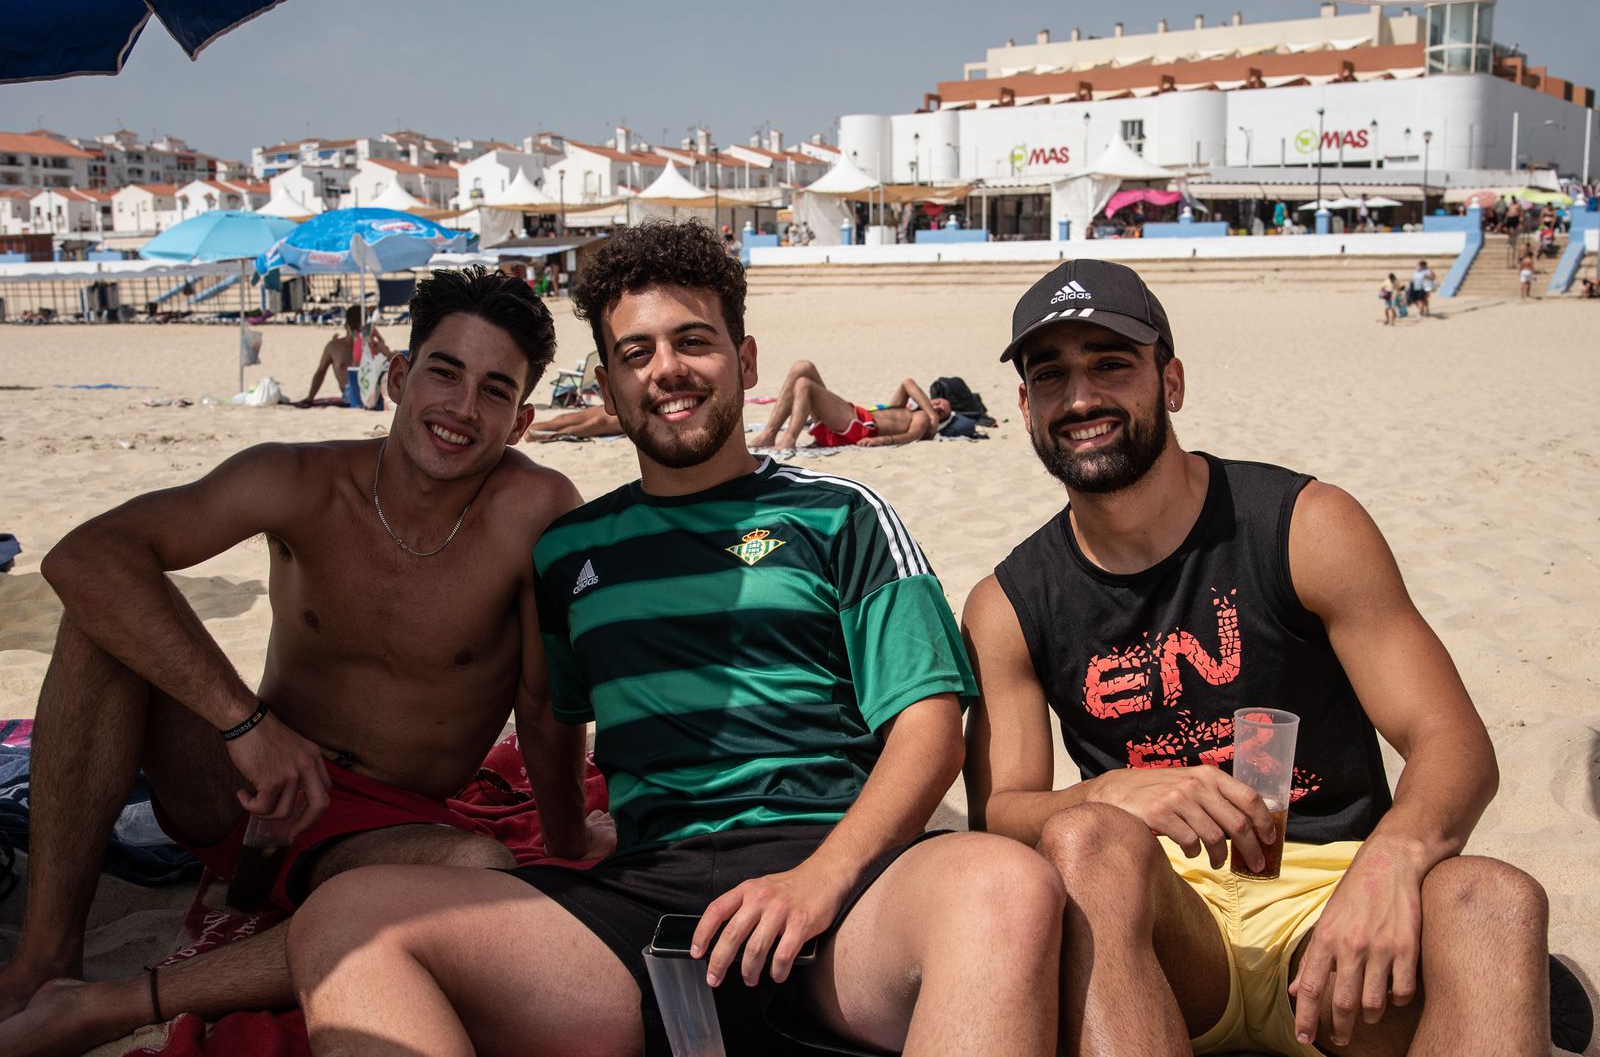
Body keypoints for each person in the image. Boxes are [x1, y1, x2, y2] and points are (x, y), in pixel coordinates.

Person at [285, 220, 1066, 1056]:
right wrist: (567, 839)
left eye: (694, 341)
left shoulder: (842, 516)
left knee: (1003, 884)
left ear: (748, 360)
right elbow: (550, 714)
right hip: (643, 901)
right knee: (347, 916)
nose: (667, 370)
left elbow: (930, 728)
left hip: (842, 890)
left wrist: (816, 883)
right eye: (636, 353)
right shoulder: (570, 551)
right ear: (611, 387)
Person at [0, 268, 605, 1055]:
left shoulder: (536, 511)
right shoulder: (298, 478)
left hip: (380, 830)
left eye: (494, 391)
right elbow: (84, 557)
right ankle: (45, 957)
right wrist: (242, 723)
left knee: (482, 869)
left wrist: (564, 839)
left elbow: (542, 702)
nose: (461, 409)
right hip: (245, 781)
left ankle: (110, 1004)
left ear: (522, 421)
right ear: (396, 376)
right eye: (443, 372)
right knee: (105, 616)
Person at [962, 258, 1552, 1057]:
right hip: (1164, 928)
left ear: (1170, 382)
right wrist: (1114, 790)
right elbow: (1001, 811)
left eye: (1111, 364)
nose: (1082, 399)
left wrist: (1391, 863)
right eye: (1052, 375)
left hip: (1331, 907)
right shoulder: (1009, 604)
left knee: (1496, 898)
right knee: (1087, 840)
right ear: (1026, 406)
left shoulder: (1305, 525)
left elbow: (1452, 741)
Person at [749, 360, 953, 452]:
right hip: (851, 418)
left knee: (804, 384)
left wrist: (883, 440)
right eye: (937, 401)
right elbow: (907, 383)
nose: (937, 406)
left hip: (858, 426)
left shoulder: (923, 419)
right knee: (803, 367)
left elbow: (911, 436)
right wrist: (927, 407)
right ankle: (769, 433)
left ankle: (789, 438)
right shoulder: (903, 409)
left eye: (942, 410)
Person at [298, 304, 393, 405]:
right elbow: (320, 372)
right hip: (350, 393)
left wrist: (381, 344)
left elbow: (388, 363)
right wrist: (310, 397)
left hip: (372, 389)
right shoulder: (334, 347)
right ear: (346, 326)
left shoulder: (371, 344)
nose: (357, 332)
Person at [521, 403, 623, 441]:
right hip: (618, 405)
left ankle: (549, 436)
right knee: (564, 419)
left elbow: (599, 422)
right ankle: (525, 429)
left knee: (597, 423)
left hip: (626, 414)